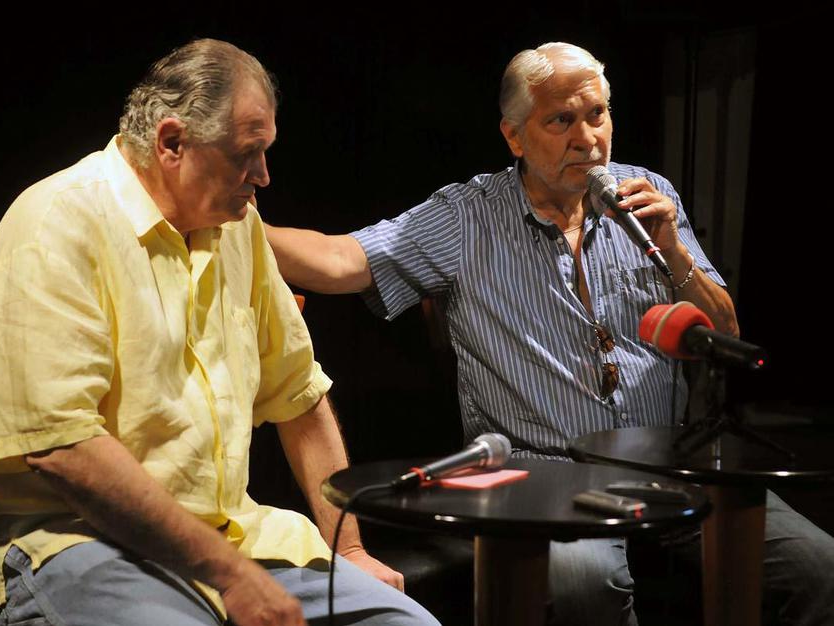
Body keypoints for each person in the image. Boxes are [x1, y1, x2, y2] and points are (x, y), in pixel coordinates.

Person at [264, 42, 834, 625]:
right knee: (586, 584)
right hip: (545, 478)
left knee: (820, 567)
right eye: (561, 121)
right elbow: (339, 260)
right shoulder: (467, 216)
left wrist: (672, 249)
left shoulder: (646, 194)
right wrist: (237, 223)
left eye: (597, 115)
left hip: (668, 462)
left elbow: (723, 330)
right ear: (514, 137)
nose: (587, 139)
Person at [0, 38, 440, 626]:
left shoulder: (236, 227)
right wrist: (229, 576)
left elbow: (299, 394)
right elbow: (63, 449)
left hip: (229, 541)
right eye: (247, 154)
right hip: (69, 542)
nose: (264, 176)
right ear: (172, 142)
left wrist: (350, 550)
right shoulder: (57, 222)